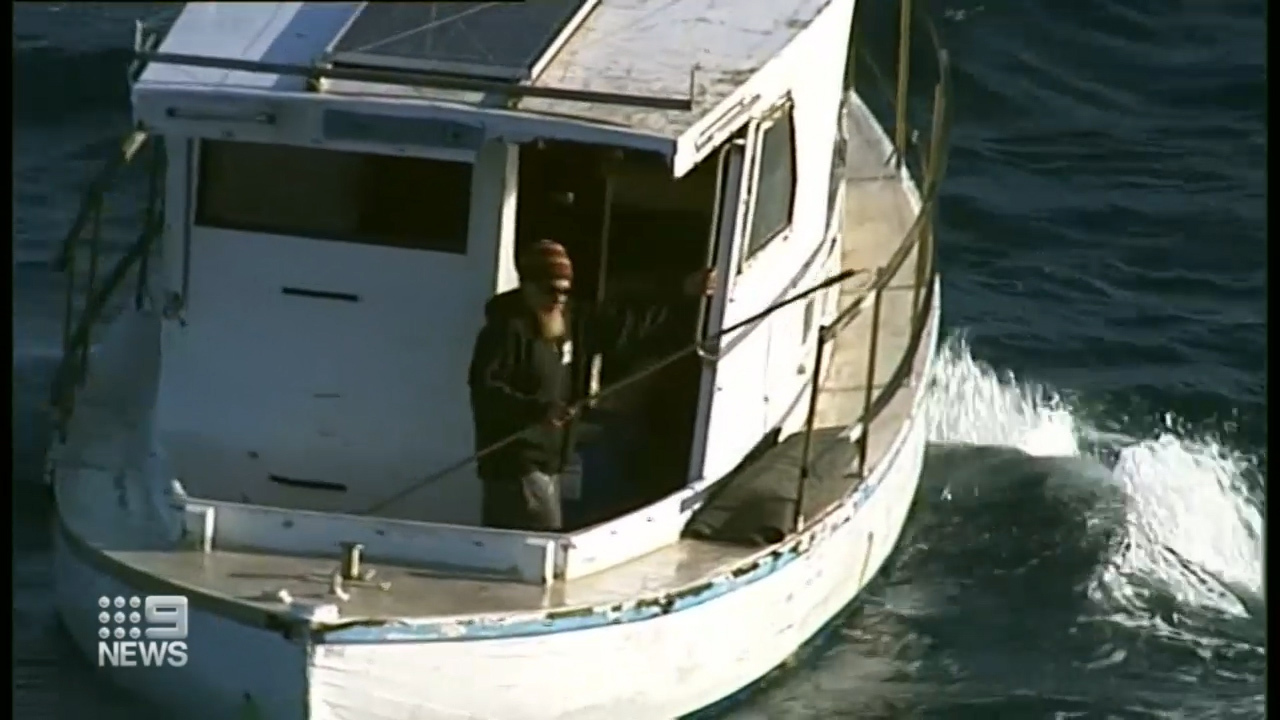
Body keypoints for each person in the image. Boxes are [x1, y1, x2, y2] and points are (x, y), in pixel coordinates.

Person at [468, 239, 716, 531]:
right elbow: (485, 389)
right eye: (550, 290)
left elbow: (627, 322)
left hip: (550, 463)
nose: (558, 298)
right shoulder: (505, 330)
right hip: (516, 466)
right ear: (528, 286)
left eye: (565, 290)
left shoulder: (573, 321)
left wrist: (682, 290)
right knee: (540, 535)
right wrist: (540, 410)